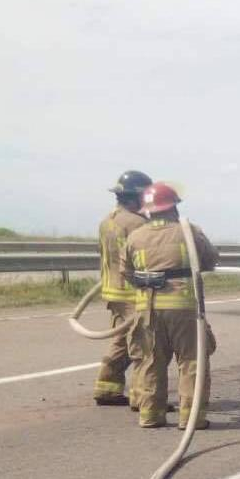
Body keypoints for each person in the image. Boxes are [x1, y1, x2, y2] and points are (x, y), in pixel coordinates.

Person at [122, 183, 219, 428]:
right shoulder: (188, 232)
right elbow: (209, 260)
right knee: (191, 361)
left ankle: (150, 415)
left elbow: (126, 272)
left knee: (150, 360)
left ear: (147, 210)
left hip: (147, 310)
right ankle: (191, 417)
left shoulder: (135, 236)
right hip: (183, 307)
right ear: (173, 207)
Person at [92, 170, 152, 406]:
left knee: (121, 342)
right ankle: (143, 398)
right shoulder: (139, 224)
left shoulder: (107, 222)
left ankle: (106, 388)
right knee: (144, 346)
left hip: (113, 292)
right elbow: (146, 257)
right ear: (137, 197)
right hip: (133, 293)